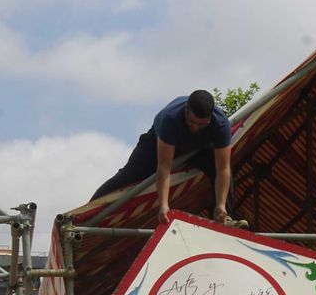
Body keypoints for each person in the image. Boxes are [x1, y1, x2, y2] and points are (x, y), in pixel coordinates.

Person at [90, 89, 234, 223]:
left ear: (210, 118)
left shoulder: (221, 124)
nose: (195, 128)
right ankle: (85, 213)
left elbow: (223, 169)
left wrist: (221, 204)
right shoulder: (170, 119)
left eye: (202, 124)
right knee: (128, 176)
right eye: (191, 122)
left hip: (198, 148)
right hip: (155, 145)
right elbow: (164, 168)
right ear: (186, 111)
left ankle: (224, 218)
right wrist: (164, 205)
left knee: (217, 167)